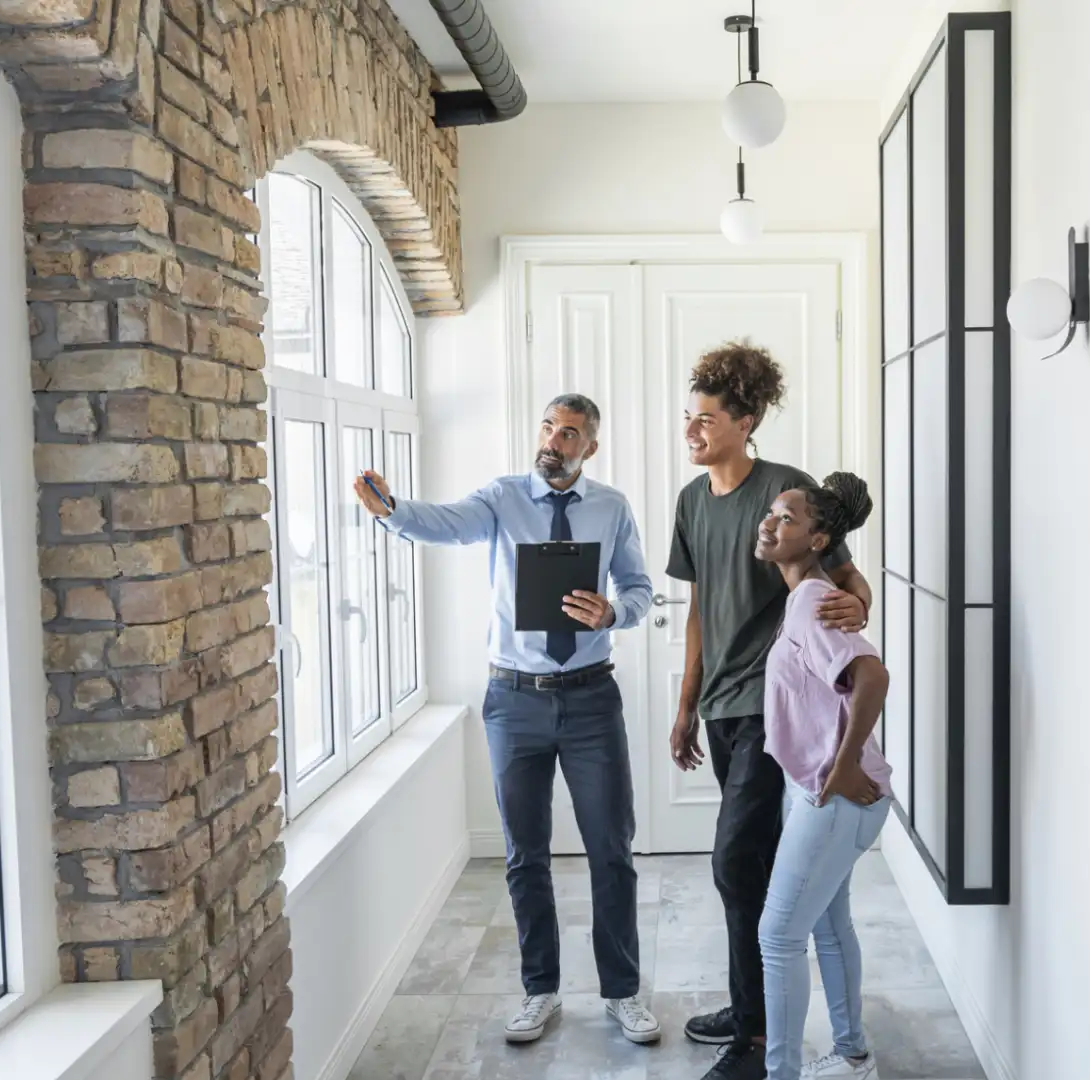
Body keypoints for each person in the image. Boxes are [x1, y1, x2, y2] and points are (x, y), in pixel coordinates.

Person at [353, 394, 662, 1047]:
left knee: (611, 850)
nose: (555, 439)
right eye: (549, 426)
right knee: (526, 854)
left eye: (570, 433)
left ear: (590, 448)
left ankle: (622, 993)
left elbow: (639, 589)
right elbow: (446, 522)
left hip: (589, 699)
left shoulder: (611, 508)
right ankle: (540, 990)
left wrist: (614, 613)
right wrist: (391, 510)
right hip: (513, 700)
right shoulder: (500, 498)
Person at [666, 341, 874, 1080]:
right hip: (721, 704)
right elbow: (697, 611)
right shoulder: (692, 501)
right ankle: (751, 1006)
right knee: (746, 863)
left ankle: (755, 1036)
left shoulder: (785, 488)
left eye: (706, 419)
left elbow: (846, 577)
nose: (691, 430)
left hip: (771, 706)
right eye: (688, 418)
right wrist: (686, 704)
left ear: (745, 421)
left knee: (731, 860)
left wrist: (858, 606)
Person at [752, 474, 892, 1080]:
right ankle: (852, 1054)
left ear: (819, 537)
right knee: (831, 927)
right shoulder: (808, 594)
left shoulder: (812, 599)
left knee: (779, 936)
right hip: (825, 791)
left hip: (833, 797)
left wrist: (839, 770)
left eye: (786, 518)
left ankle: (780, 1074)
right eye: (772, 514)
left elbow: (873, 676)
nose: (770, 524)